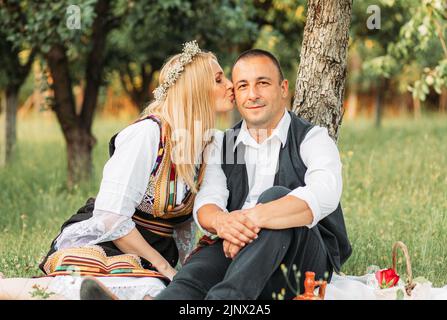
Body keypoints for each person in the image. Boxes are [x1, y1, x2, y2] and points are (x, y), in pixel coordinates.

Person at [0, 40, 235, 300]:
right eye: (219, 79)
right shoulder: (148, 134)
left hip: (155, 252)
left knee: (156, 292)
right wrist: (165, 266)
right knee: (95, 288)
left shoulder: (210, 143)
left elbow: (193, 216)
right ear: (196, 89)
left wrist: (185, 264)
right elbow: (112, 217)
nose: (230, 86)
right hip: (110, 241)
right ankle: (7, 288)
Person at [154, 49, 352, 300]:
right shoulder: (222, 144)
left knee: (276, 197)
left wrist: (252, 219)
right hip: (236, 245)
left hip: (302, 260)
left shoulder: (312, 139)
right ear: (235, 95)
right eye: (243, 86)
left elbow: (323, 195)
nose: (253, 95)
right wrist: (223, 223)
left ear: (283, 88)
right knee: (196, 273)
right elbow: (208, 202)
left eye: (263, 83)